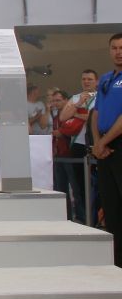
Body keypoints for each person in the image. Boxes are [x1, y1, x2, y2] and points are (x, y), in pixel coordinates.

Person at [92, 33, 122, 266]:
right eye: (114, 48)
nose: (118, 52)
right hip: (103, 147)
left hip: (117, 143)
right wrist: (97, 142)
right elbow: (96, 113)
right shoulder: (105, 79)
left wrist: (104, 142)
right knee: (111, 205)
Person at [59, 70, 97, 223]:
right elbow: (63, 117)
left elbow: (95, 118)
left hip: (95, 143)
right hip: (78, 145)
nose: (86, 82)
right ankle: (84, 218)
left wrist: (75, 114)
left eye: (90, 79)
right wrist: (79, 104)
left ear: (96, 81)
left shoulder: (101, 97)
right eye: (84, 79)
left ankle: (96, 218)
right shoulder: (76, 98)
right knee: (79, 185)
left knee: (96, 184)